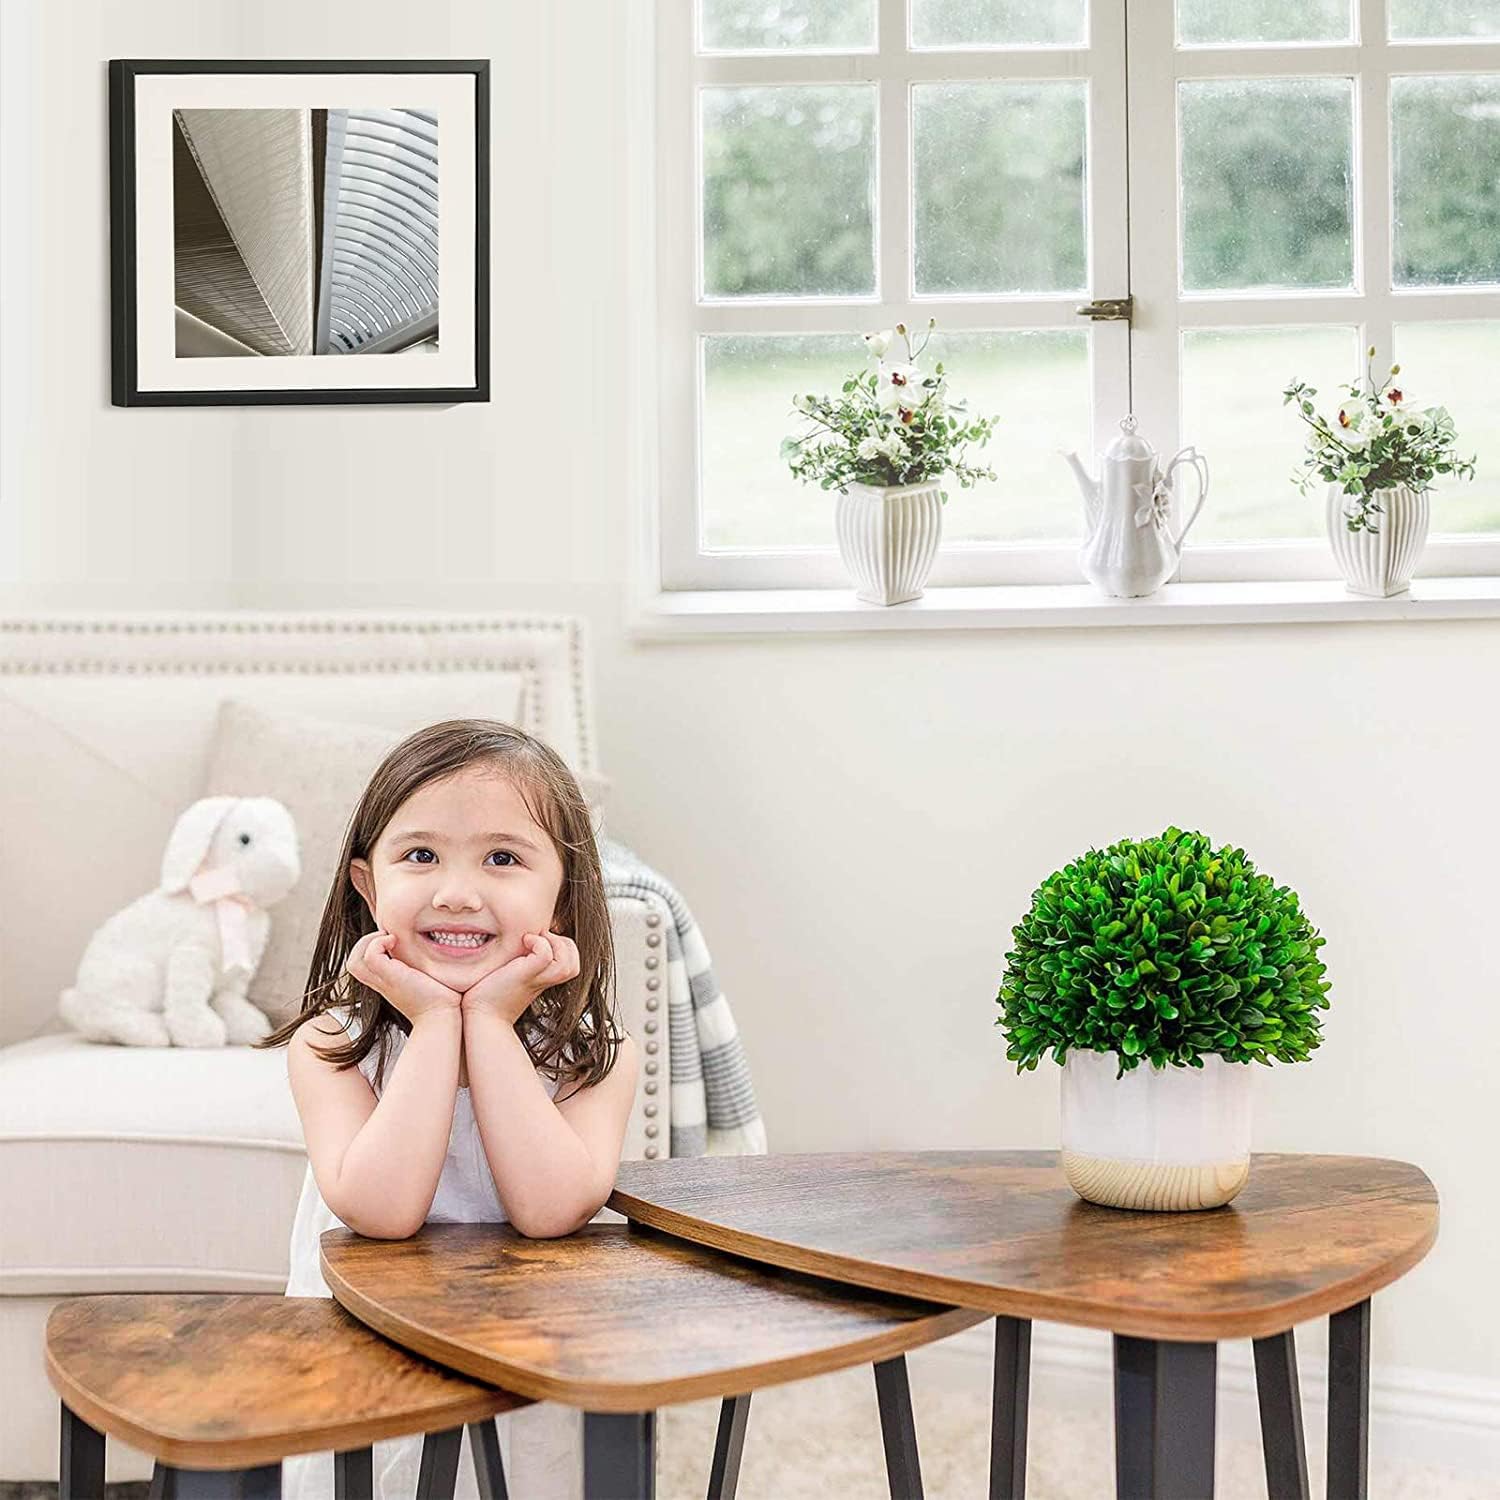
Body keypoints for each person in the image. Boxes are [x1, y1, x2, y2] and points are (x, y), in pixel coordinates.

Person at [260, 718, 640, 1498]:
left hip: (526, 1368)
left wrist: (492, 1023)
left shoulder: (593, 1058)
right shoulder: (333, 1049)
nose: (458, 892)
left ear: (561, 900)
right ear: (369, 889)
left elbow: (551, 1207)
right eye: (421, 856)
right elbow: (382, 1208)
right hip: (371, 1367)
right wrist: (437, 1020)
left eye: (503, 858)